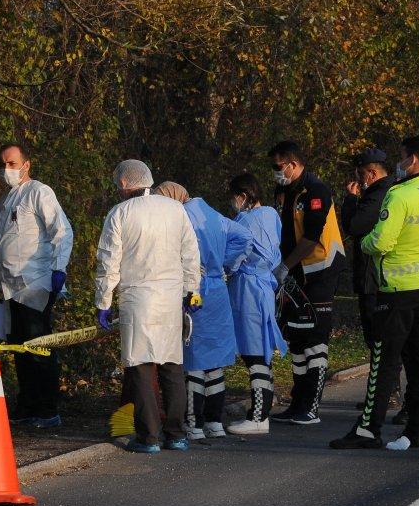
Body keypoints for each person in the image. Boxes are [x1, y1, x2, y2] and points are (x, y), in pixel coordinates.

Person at [330, 136, 419, 452]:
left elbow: (381, 241)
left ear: (412, 160)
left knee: (384, 361)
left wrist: (364, 244)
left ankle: (368, 430)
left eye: (401, 157)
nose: (398, 164)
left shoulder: (400, 195)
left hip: (397, 291)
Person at [95, 160, 201, 453]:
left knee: (140, 367)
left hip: (137, 299)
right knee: (172, 365)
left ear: (125, 184)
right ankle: (177, 433)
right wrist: (192, 291)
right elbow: (190, 253)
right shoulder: (175, 209)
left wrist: (103, 302)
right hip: (170, 298)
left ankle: (148, 436)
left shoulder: (120, 213)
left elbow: (108, 262)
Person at [154, 181, 250, 440]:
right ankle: (215, 423)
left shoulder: (181, 216)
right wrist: (226, 264)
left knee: (193, 360)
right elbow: (243, 236)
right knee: (216, 362)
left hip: (193, 289)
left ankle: (194, 424)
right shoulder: (212, 214)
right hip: (218, 289)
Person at [0, 141, 74, 429]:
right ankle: (27, 407)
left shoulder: (39, 192)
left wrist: (59, 269)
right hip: (11, 287)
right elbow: (2, 246)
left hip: (35, 282)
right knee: (18, 349)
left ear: (26, 164)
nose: (6, 169)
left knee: (38, 347)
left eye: (12, 163)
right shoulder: (6, 200)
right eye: (3, 164)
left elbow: (61, 230)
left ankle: (48, 410)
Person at [267, 141, 347, 425]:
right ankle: (297, 403)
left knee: (315, 340)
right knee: (298, 340)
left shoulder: (316, 190)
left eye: (278, 166)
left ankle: (311, 407)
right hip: (296, 272)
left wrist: (284, 266)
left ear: (293, 163)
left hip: (320, 271)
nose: (276, 172)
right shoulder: (285, 191)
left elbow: (312, 235)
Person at [225, 174, 289, 435]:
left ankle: (260, 417)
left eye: (234, 197)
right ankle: (260, 411)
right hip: (265, 286)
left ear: (243, 195)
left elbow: (235, 255)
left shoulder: (244, 221)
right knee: (262, 349)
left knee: (254, 352)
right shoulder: (272, 214)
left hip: (249, 288)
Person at [339, 149, 393, 350]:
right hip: (382, 275)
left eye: (360, 175)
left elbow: (354, 225)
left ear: (372, 173)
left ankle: (381, 379)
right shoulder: (391, 190)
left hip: (373, 276)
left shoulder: (379, 194)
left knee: (376, 337)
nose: (359, 180)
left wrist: (351, 199)